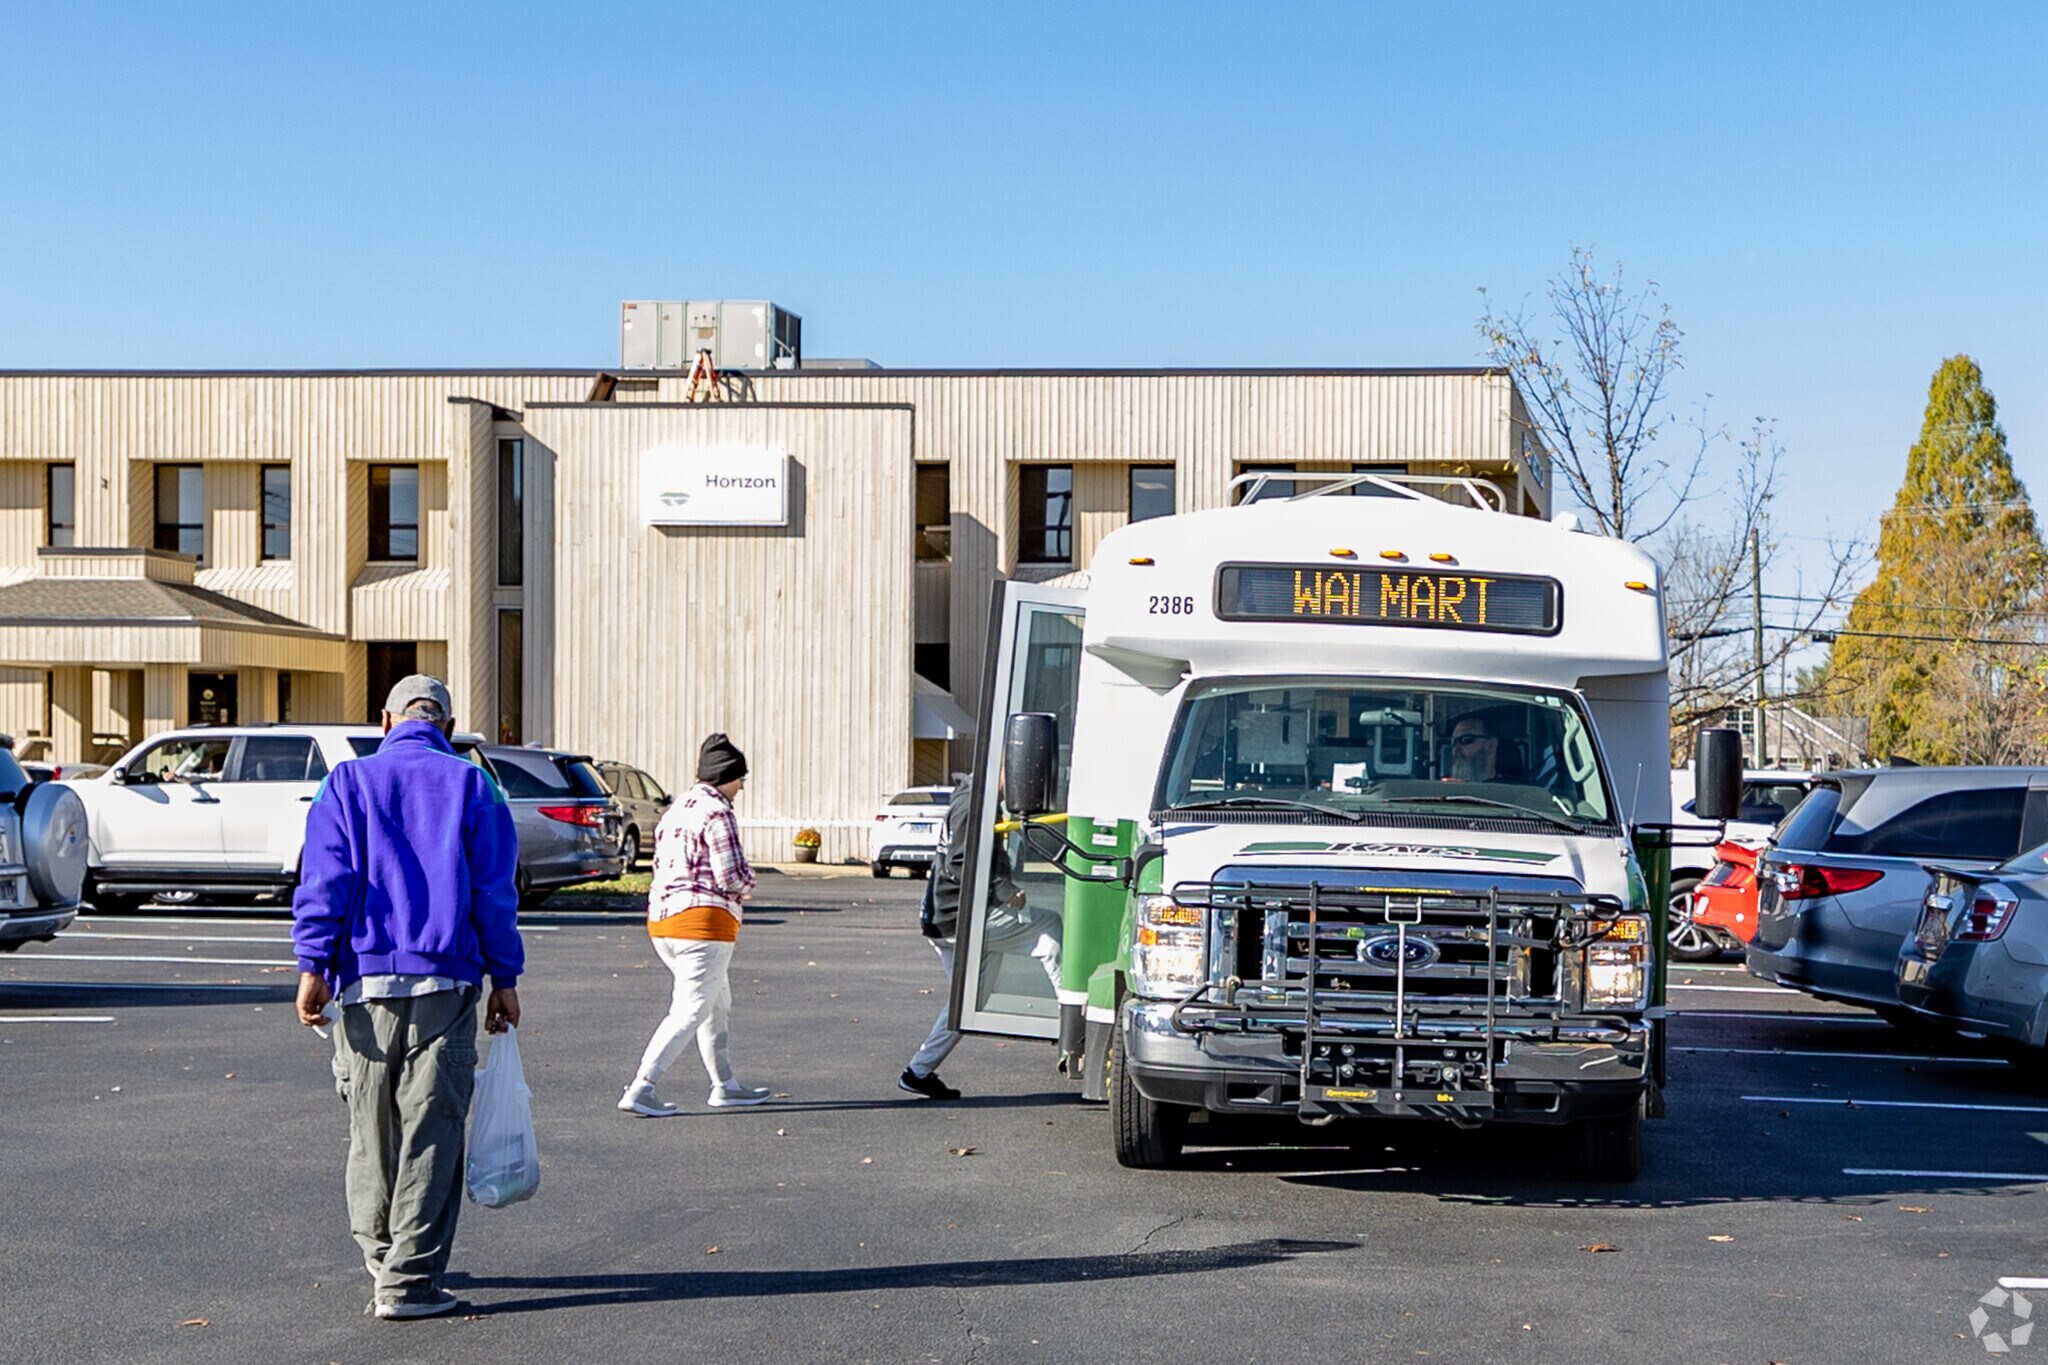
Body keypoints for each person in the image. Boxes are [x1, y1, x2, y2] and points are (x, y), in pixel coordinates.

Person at [292, 675, 523, 1322]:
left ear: (385, 721)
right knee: (431, 1131)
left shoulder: (348, 782)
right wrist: (504, 979)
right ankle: (409, 1280)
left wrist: (313, 965)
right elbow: (493, 895)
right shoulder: (474, 786)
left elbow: (325, 879)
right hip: (445, 983)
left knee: (370, 1129)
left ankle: (381, 1254)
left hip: (363, 985)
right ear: (445, 728)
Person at [619, 733, 773, 1116]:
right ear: (726, 776)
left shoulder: (677, 810)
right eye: (740, 779)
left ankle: (725, 1085)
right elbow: (732, 875)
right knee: (690, 1009)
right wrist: (751, 883)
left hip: (663, 921)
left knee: (715, 1003)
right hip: (704, 924)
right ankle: (642, 1086)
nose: (741, 787)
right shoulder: (718, 812)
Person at [899, 777, 1061, 1101]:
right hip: (960, 919)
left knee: (967, 1002)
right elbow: (960, 860)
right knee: (1049, 927)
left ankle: (918, 1072)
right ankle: (1076, 1028)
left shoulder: (976, 794)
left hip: (946, 917)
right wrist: (1002, 888)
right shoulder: (975, 803)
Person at [1446, 712, 1500, 783]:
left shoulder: (1510, 791)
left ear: (1491, 746)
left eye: (1466, 740)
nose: (1456, 749)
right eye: (1454, 741)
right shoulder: (1442, 789)